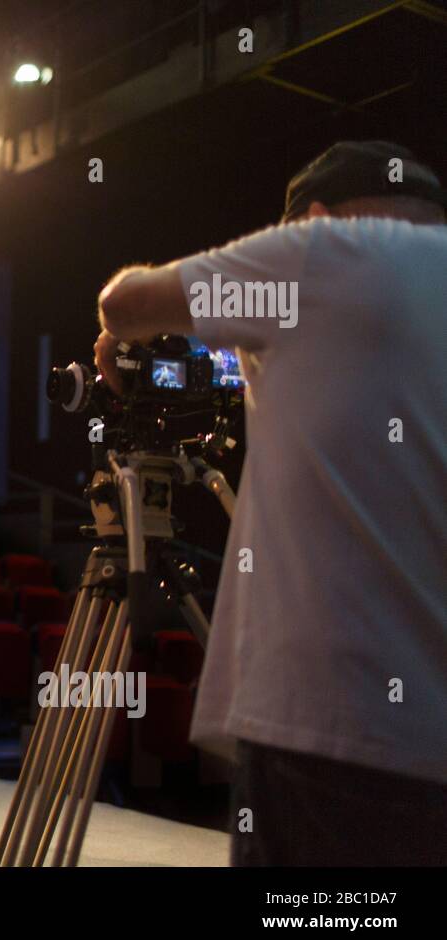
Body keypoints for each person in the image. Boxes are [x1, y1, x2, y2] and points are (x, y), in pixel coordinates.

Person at [92, 141, 447, 865]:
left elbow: (126, 303)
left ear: (309, 218)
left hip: (336, 732)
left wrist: (117, 338)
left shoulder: (326, 250)